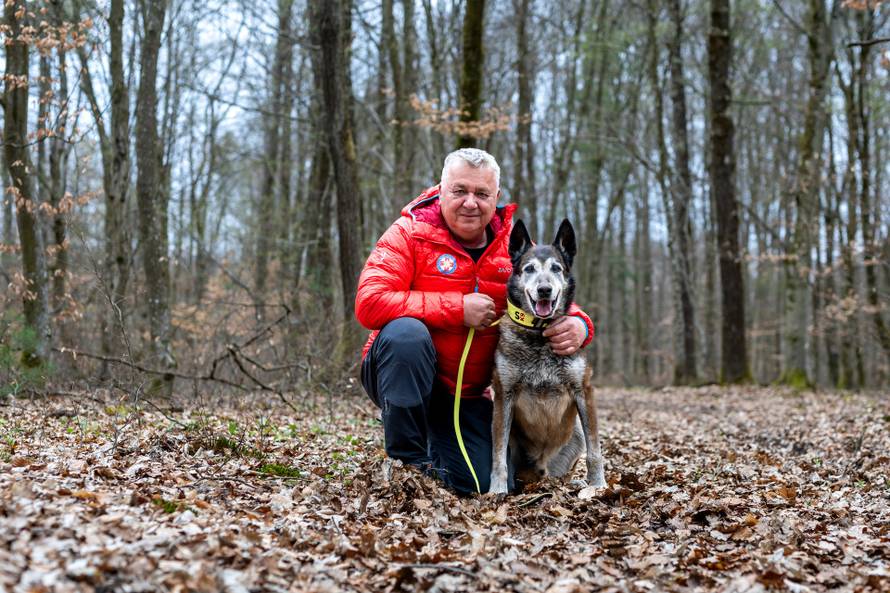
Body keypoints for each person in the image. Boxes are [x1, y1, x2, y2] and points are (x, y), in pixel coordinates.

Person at [355, 148, 594, 495]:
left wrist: (581, 325)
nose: (471, 202)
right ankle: (404, 459)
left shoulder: (511, 248)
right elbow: (370, 303)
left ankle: (437, 441)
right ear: (441, 189)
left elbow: (547, 290)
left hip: (466, 395)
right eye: (460, 190)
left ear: (496, 197)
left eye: (482, 194)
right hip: (401, 372)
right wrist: (456, 308)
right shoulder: (409, 233)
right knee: (406, 334)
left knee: (481, 485)